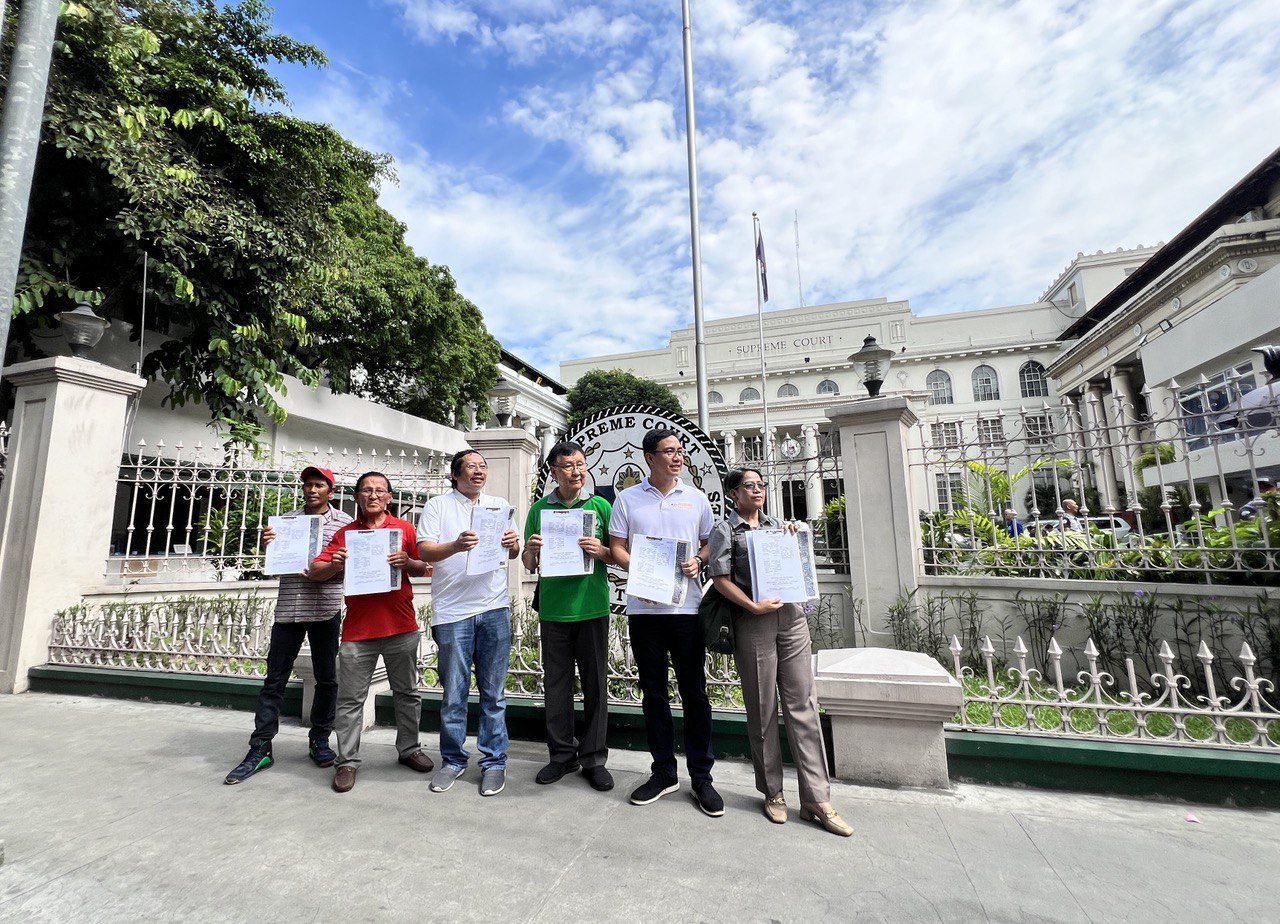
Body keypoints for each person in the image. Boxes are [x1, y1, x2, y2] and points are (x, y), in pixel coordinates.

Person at [708, 468, 853, 836]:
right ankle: (773, 791)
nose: (757, 490)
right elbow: (719, 579)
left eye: (761, 485)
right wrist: (752, 606)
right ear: (734, 493)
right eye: (749, 486)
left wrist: (796, 536)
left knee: (803, 703)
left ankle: (817, 798)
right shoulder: (725, 530)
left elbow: (799, 563)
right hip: (753, 621)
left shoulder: (779, 526)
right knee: (762, 708)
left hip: (791, 618)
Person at [608, 428, 721, 816]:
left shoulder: (696, 498)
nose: (677, 457)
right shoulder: (628, 499)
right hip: (644, 612)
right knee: (653, 694)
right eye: (669, 451)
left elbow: (708, 543)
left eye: (680, 451)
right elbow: (617, 548)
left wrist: (699, 560)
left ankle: (702, 778)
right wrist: (643, 569)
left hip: (686, 610)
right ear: (650, 457)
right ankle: (663, 773)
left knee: (695, 694)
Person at [224, 466, 353, 785]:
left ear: (331, 491)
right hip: (289, 609)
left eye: (319, 485)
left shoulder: (345, 524)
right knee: (274, 680)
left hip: (325, 610)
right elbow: (276, 562)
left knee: (327, 679)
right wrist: (268, 544)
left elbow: (351, 567)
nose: (312, 490)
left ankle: (319, 740)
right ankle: (260, 747)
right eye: (308, 484)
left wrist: (337, 565)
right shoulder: (287, 521)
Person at [309, 471, 434, 793]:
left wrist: (407, 562)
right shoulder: (346, 534)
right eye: (366, 490)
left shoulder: (404, 529)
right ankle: (347, 761)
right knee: (350, 700)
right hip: (358, 631)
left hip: (400, 626)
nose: (373, 495)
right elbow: (315, 571)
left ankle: (409, 749)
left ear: (389, 497)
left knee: (407, 694)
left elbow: (425, 568)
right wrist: (335, 564)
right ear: (356, 497)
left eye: (380, 490)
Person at [417, 449, 520, 797]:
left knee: (494, 694)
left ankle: (494, 762)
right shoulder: (438, 506)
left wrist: (513, 543)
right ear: (455, 474)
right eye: (471, 466)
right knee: (454, 694)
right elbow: (425, 551)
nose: (479, 471)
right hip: (452, 612)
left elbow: (514, 551)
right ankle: (452, 760)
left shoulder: (499, 505)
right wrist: (456, 545)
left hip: (494, 608)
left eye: (482, 466)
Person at [521, 440, 615, 792]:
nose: (576, 472)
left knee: (595, 686)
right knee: (556, 686)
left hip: (592, 607)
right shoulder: (540, 510)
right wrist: (531, 550)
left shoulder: (600, 506)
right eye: (568, 466)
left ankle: (594, 758)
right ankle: (562, 755)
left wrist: (601, 550)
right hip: (555, 610)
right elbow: (528, 563)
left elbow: (620, 554)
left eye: (581, 465)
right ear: (554, 472)